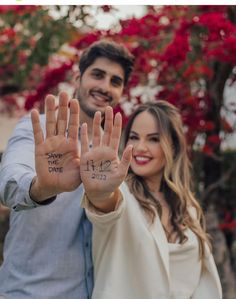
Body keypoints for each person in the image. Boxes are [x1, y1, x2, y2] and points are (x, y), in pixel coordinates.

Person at [0, 40, 134, 299]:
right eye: (98, 74)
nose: (105, 87)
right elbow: (9, 182)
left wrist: (105, 200)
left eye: (115, 81)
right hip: (26, 293)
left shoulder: (111, 151)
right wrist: (42, 187)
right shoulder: (37, 128)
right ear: (78, 77)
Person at [80, 101, 222, 299]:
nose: (140, 147)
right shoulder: (120, 193)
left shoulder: (187, 208)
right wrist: (99, 193)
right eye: (134, 137)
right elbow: (105, 207)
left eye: (154, 139)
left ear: (172, 146)